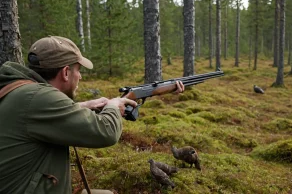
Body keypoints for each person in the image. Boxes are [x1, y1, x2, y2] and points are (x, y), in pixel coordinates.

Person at [0, 36, 184, 194]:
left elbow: (40, 116)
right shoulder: (39, 98)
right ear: (65, 72)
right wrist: (113, 106)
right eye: (78, 70)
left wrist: (83, 105)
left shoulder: (22, 91)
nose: (80, 77)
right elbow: (106, 133)